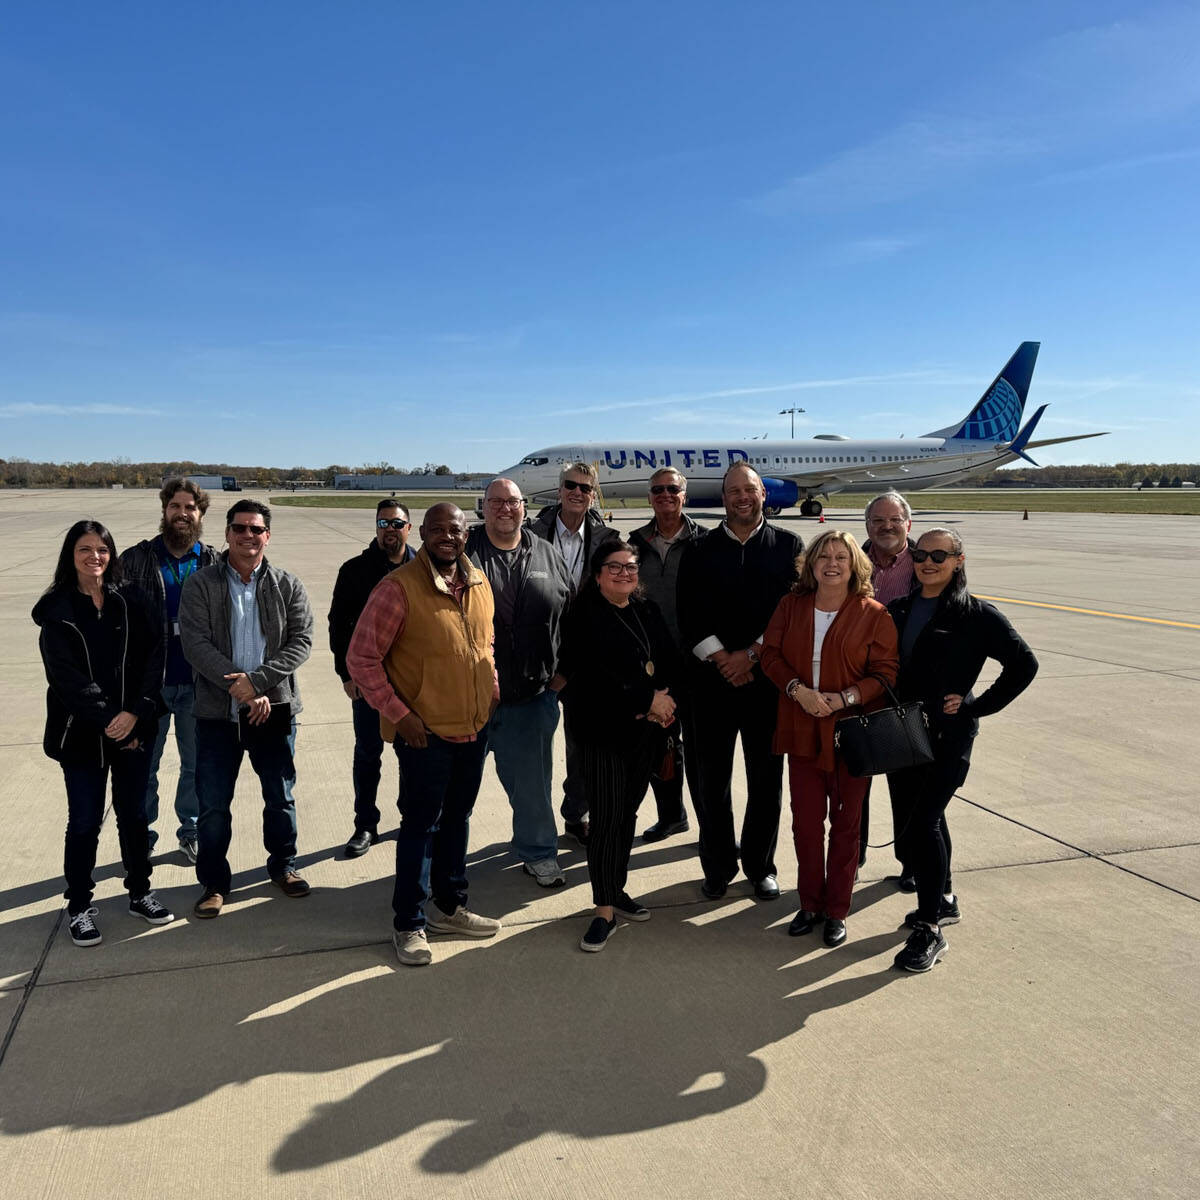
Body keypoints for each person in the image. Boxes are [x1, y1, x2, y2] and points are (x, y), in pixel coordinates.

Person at [347, 502, 502, 967]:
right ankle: (409, 922)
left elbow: (484, 641)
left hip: (473, 728)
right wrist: (399, 713)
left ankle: (450, 906)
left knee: (459, 818)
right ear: (425, 535)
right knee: (419, 827)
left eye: (454, 530)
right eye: (437, 530)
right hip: (424, 733)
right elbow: (361, 659)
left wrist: (492, 688)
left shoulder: (478, 581)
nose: (446, 537)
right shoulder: (398, 589)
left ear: (465, 534)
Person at [887, 528, 1038, 972]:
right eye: (921, 554)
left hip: (949, 737)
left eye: (939, 555)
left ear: (959, 560)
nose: (927, 562)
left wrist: (978, 704)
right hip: (904, 733)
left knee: (923, 825)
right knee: (920, 822)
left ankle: (929, 928)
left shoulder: (976, 615)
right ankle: (945, 897)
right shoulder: (898, 608)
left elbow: (1024, 664)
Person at [33, 521, 174, 947]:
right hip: (81, 736)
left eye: (102, 550)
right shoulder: (57, 610)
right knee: (84, 822)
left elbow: (157, 653)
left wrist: (137, 713)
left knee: (133, 815)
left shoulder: (131, 599)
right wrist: (114, 721)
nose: (95, 557)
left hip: (134, 729)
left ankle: (140, 892)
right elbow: (67, 680)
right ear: (70, 556)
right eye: (84, 549)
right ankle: (79, 906)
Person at [760, 529, 899, 948]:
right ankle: (810, 903)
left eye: (841, 556)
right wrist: (798, 691)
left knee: (846, 824)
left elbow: (886, 673)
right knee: (805, 824)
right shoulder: (791, 605)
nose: (832, 563)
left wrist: (844, 698)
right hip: (802, 724)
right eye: (824, 556)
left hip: (850, 732)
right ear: (811, 564)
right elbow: (770, 655)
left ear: (855, 564)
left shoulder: (874, 613)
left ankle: (838, 909)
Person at [179, 500, 314, 918]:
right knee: (214, 804)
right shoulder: (201, 584)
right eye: (240, 528)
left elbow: (302, 640)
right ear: (227, 533)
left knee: (280, 796)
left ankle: (283, 867)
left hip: (273, 710)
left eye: (256, 529)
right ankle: (215, 883)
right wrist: (240, 685)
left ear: (267, 536)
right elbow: (195, 644)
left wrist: (258, 683)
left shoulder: (287, 584)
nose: (248, 536)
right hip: (217, 715)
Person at [676, 462, 802, 901]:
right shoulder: (699, 549)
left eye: (750, 489)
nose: (742, 497)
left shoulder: (789, 547)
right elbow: (688, 615)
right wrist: (723, 658)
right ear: (723, 497)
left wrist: (751, 655)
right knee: (710, 782)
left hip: (766, 683)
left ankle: (760, 865)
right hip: (710, 684)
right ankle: (717, 866)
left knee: (766, 780)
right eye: (733, 490)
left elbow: (793, 615)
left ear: (763, 495)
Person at [558, 540, 681, 952]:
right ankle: (604, 909)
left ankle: (617, 889)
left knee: (626, 814)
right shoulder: (583, 615)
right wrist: (647, 701)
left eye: (630, 567)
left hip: (643, 734)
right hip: (602, 734)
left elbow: (667, 659)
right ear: (597, 575)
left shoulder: (645, 610)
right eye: (614, 568)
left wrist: (664, 698)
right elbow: (591, 679)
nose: (625, 574)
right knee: (608, 820)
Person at [466, 478, 574, 887]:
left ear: (524, 508)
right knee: (455, 789)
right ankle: (444, 860)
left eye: (512, 502)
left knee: (532, 787)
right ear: (484, 507)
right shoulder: (463, 551)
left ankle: (538, 852)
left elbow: (569, 617)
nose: (504, 509)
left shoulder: (545, 551)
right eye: (495, 502)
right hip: (468, 698)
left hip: (532, 696)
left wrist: (560, 677)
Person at [119, 477, 220, 862]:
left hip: (198, 682)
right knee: (146, 764)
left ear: (200, 513)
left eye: (189, 508)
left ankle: (190, 828)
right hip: (151, 684)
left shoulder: (213, 560)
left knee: (196, 765)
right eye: (175, 506)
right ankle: (143, 832)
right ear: (164, 510)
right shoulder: (137, 559)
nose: (182, 514)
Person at [528, 460, 618, 844]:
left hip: (586, 660)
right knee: (534, 750)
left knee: (583, 745)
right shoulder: (531, 534)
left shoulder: (609, 539)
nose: (577, 493)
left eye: (585, 488)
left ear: (593, 494)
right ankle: (534, 828)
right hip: (537, 656)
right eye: (571, 485)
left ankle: (574, 814)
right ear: (559, 487)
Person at [327, 499, 415, 857]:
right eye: (383, 523)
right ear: (376, 527)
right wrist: (345, 674)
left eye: (397, 523)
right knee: (368, 753)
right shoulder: (355, 570)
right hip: (367, 682)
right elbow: (338, 624)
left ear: (409, 528)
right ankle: (365, 824)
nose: (390, 530)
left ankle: (411, 817)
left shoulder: (424, 568)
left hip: (411, 682)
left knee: (412, 753)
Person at [628, 467, 707, 842]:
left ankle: (713, 827)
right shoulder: (635, 543)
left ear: (683, 494)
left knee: (704, 752)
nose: (665, 495)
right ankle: (672, 815)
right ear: (649, 498)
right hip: (655, 665)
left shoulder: (706, 542)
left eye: (672, 489)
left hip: (701, 663)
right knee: (662, 743)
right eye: (657, 490)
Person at [858, 490, 919, 883]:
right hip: (858, 685)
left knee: (908, 782)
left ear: (908, 524)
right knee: (854, 782)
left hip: (907, 688)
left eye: (894, 519)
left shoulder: (926, 561)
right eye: (878, 520)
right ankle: (852, 860)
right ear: (867, 526)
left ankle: (913, 863)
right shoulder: (848, 559)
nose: (886, 527)